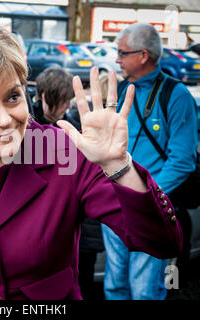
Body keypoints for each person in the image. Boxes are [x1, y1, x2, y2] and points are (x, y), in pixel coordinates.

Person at [0, 25, 182, 300]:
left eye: (13, 97)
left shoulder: (65, 152)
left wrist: (119, 165)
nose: (4, 120)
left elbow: (162, 242)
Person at [102, 23, 198, 300]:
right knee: (114, 287)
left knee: (145, 291)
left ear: (143, 55)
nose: (117, 58)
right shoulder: (118, 91)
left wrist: (147, 197)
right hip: (116, 205)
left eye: (122, 52)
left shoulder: (176, 95)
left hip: (151, 209)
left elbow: (182, 161)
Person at [32, 66, 105, 299]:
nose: (68, 106)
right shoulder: (26, 131)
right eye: (64, 101)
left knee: (81, 281)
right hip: (45, 234)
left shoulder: (74, 125)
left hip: (80, 229)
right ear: (45, 98)